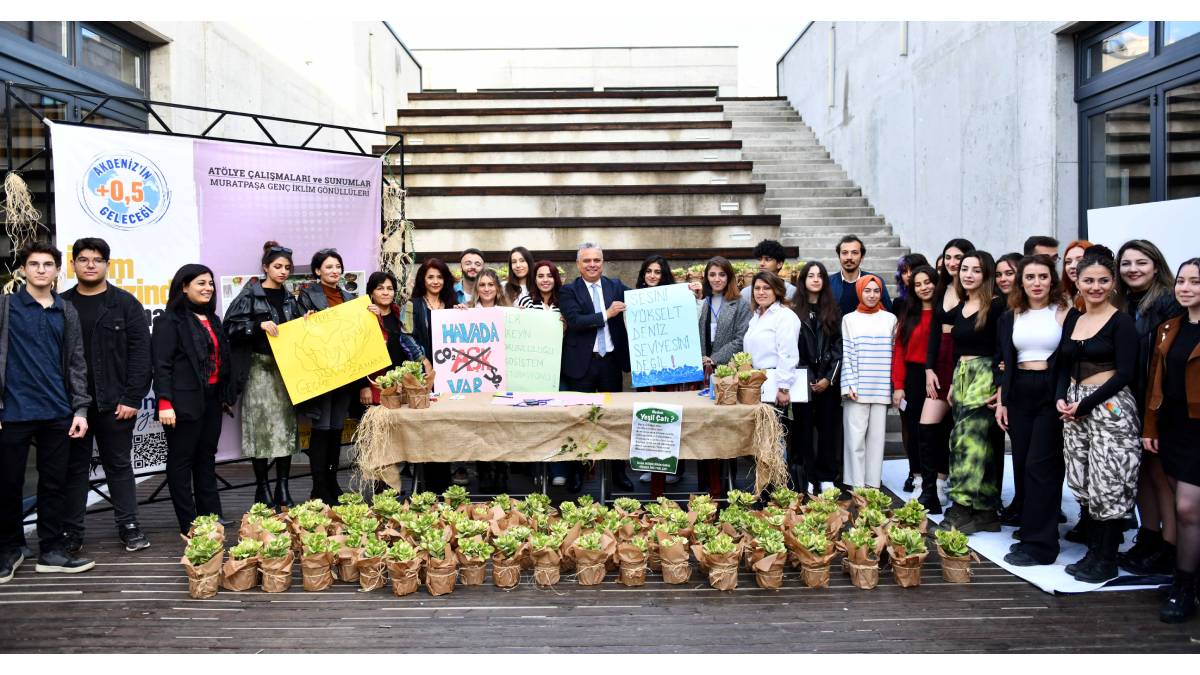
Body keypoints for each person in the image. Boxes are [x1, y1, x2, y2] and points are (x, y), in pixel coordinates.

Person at [0, 242, 94, 583]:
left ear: (57, 271)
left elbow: (77, 363)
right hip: (13, 412)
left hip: (58, 411)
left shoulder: (65, 310)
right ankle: (9, 550)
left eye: (48, 264)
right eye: (34, 264)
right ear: (23, 270)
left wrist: (80, 409)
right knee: (8, 484)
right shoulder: (7, 306)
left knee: (55, 484)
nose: (41, 269)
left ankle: (51, 550)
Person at [1054, 246, 1141, 583]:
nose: (1095, 287)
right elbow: (1063, 363)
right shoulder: (1074, 318)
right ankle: (1093, 551)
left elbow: (1125, 373)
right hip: (1074, 407)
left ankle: (1105, 559)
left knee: (1109, 480)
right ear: (1077, 282)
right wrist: (1061, 398)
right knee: (1081, 477)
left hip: (1110, 407)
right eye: (1088, 280)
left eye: (1103, 280)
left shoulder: (1121, 323)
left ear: (1113, 283)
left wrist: (1085, 405)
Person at [61, 237, 151, 554]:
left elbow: (141, 354)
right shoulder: (61, 304)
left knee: (119, 466)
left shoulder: (125, 304)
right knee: (74, 469)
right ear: (73, 264)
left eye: (97, 259)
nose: (90, 264)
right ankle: (71, 532)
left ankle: (129, 526)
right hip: (72, 406)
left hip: (115, 404)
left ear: (107, 265)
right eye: (83, 259)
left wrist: (131, 398)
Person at [996, 255, 1070, 567]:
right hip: (1019, 392)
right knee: (1024, 463)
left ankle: (1042, 544)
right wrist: (1002, 400)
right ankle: (1031, 530)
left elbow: (1068, 359)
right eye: (1030, 277)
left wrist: (1061, 396)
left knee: (1043, 465)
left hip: (1050, 392)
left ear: (1052, 280)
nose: (1036, 283)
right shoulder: (1011, 315)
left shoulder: (1065, 312)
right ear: (1021, 282)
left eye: (1042, 276)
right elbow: (1005, 361)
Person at [152, 263, 233, 535]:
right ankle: (189, 523)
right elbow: (161, 365)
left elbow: (220, 362)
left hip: (211, 400)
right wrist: (164, 402)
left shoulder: (214, 320)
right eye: (200, 283)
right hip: (181, 403)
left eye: (210, 283)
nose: (208, 288)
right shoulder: (168, 321)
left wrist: (223, 395)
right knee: (181, 462)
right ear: (183, 287)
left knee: (206, 458)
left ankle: (211, 516)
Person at [1118, 239, 1183, 576]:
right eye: (1126, 263)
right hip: (1132, 400)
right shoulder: (1127, 302)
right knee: (1142, 473)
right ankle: (1149, 536)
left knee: (1160, 475)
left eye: (1140, 262)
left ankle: (1170, 547)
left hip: (1158, 401)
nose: (1133, 269)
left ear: (1156, 265)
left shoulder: (1170, 303)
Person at [224, 242, 305, 508]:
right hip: (258, 367)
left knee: (286, 429)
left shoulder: (291, 297)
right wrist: (257, 325)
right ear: (265, 268)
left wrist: (308, 320)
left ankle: (283, 486)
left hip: (287, 370)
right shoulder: (250, 295)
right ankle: (262, 488)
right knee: (259, 429)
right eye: (278, 266)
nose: (283, 271)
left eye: (287, 268)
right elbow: (229, 329)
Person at [932, 251, 1007, 534]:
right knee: (980, 444)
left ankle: (961, 508)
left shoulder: (998, 307)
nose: (969, 274)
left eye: (976, 270)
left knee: (967, 442)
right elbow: (958, 349)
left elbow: (1003, 349)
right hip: (962, 377)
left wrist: (1001, 387)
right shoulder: (962, 305)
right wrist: (952, 383)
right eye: (965, 269)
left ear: (986, 274)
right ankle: (986, 510)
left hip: (985, 377)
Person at [1143, 258, 1200, 622]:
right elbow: (1155, 384)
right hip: (1174, 426)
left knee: (1187, 509)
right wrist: (1150, 427)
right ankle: (1187, 580)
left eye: (1195, 282)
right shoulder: (1170, 327)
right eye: (1181, 280)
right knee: (1183, 509)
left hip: (1199, 429)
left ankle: (1184, 587)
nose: (1186, 287)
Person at [559, 242, 634, 493]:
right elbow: (576, 321)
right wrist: (607, 314)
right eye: (587, 261)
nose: (593, 265)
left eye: (597, 260)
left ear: (603, 262)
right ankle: (578, 473)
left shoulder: (615, 286)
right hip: (582, 365)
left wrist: (686, 292)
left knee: (614, 420)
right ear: (578, 265)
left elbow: (643, 297)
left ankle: (618, 474)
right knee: (579, 421)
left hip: (610, 363)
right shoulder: (569, 291)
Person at [919, 238, 975, 513]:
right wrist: (929, 368)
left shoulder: (974, 291)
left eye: (959, 258)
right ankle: (929, 492)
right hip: (939, 360)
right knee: (927, 425)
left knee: (957, 429)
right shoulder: (941, 289)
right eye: (948, 257)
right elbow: (932, 332)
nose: (953, 263)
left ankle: (954, 486)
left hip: (964, 360)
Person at [297, 248, 355, 502]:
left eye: (337, 267)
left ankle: (332, 484)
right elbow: (299, 333)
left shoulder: (351, 297)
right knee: (322, 427)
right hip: (321, 371)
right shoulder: (307, 296)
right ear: (318, 271)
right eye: (329, 267)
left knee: (336, 427)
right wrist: (305, 321)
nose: (334, 271)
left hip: (345, 370)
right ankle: (319, 486)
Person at [695, 257, 752, 497]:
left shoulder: (739, 304)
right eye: (712, 275)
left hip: (725, 372)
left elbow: (741, 339)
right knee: (700, 426)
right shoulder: (701, 302)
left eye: (721, 275)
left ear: (729, 277)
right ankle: (702, 484)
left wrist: (715, 358)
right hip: (699, 372)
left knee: (723, 428)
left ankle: (726, 482)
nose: (716, 279)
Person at [405, 258, 458, 494]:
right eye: (430, 277)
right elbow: (405, 336)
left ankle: (446, 482)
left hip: (451, 375)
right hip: (424, 375)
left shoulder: (454, 304)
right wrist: (423, 360)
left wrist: (464, 316)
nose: (435, 281)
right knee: (427, 427)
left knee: (447, 426)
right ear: (423, 280)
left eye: (439, 277)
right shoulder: (411, 304)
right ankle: (427, 486)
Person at [632, 254, 685, 486]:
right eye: (649, 271)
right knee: (648, 416)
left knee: (670, 416)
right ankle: (650, 465)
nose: (652, 276)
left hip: (670, 367)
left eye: (657, 272)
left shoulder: (675, 297)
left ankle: (675, 468)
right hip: (645, 367)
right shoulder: (635, 298)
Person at [839, 275, 895, 489]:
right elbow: (847, 353)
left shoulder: (890, 319)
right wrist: (849, 385)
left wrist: (893, 387)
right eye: (867, 290)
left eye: (876, 291)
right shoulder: (849, 319)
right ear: (859, 292)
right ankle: (856, 484)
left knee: (876, 440)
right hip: (857, 389)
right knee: (855, 440)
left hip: (881, 387)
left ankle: (872, 484)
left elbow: (893, 354)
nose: (872, 295)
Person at [792, 261, 842, 496]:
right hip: (802, 380)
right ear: (803, 281)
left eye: (819, 275)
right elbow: (793, 348)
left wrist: (827, 379)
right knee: (803, 430)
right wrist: (808, 377)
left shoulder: (833, 310)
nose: (815, 279)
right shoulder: (794, 311)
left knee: (827, 429)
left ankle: (826, 475)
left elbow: (839, 348)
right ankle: (808, 476)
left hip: (827, 382)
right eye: (810, 275)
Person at [891, 265, 937, 496]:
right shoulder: (908, 314)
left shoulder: (944, 311)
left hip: (939, 374)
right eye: (917, 284)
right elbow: (898, 351)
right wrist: (898, 386)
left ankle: (939, 479)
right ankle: (918, 477)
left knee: (936, 431)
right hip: (914, 377)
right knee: (915, 429)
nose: (923, 288)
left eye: (927, 282)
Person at [360, 271, 429, 405]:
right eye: (380, 288)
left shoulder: (400, 314)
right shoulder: (364, 318)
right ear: (371, 293)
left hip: (400, 385)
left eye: (390, 289)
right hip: (375, 385)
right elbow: (358, 355)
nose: (386, 293)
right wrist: (363, 386)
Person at [830, 235, 893, 316]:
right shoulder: (828, 283)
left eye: (854, 253)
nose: (849, 257)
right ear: (839, 256)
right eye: (844, 253)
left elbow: (888, 313)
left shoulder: (875, 281)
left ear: (862, 257)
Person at [739, 239, 796, 304]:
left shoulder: (791, 291)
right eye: (760, 259)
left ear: (779, 264)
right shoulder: (746, 292)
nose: (761, 263)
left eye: (767, 259)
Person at [1062, 240, 1093, 309]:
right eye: (1068, 262)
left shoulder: (1101, 294)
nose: (1072, 266)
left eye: (1080, 260)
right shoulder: (1063, 298)